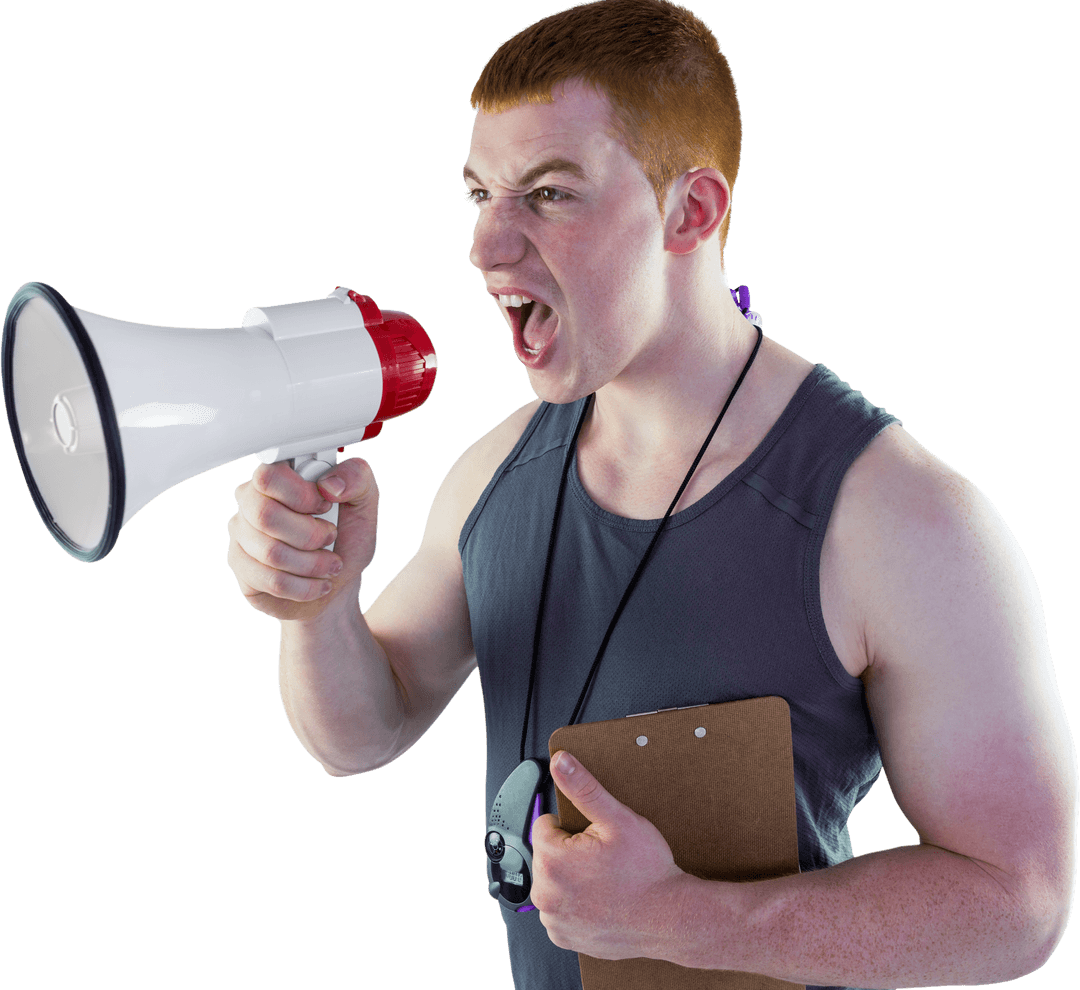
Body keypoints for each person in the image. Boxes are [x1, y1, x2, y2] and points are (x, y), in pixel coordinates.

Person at [225, 2, 1077, 988]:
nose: (485, 248)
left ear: (692, 211)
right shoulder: (495, 470)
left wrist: (682, 919)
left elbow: (1020, 905)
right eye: (478, 195)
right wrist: (316, 605)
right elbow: (360, 733)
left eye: (548, 194)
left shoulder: (903, 519)